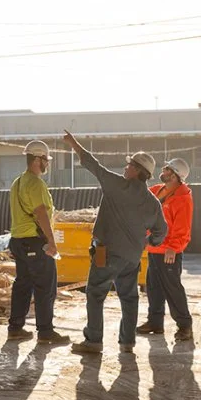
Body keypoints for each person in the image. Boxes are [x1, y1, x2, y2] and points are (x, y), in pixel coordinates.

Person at [62, 131, 167, 355]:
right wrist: (145, 243)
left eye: (129, 165)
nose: (125, 167)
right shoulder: (152, 202)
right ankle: (127, 343)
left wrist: (73, 143)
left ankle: (93, 342)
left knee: (95, 293)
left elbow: (93, 164)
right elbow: (161, 231)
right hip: (131, 259)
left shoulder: (117, 185)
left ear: (138, 171)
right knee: (129, 298)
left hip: (106, 254)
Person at [7, 140, 63, 342]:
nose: (47, 164)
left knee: (22, 285)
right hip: (35, 242)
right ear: (38, 159)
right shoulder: (36, 183)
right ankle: (46, 331)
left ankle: (15, 328)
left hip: (18, 241)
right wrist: (51, 241)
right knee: (45, 286)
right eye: (46, 160)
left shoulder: (18, 182)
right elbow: (41, 213)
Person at [138, 158, 194, 340]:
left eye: (167, 168)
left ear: (176, 175)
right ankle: (155, 322)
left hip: (169, 253)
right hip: (154, 249)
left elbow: (183, 228)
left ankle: (185, 326)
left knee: (173, 289)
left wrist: (174, 248)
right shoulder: (157, 191)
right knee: (153, 288)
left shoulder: (182, 198)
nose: (163, 170)